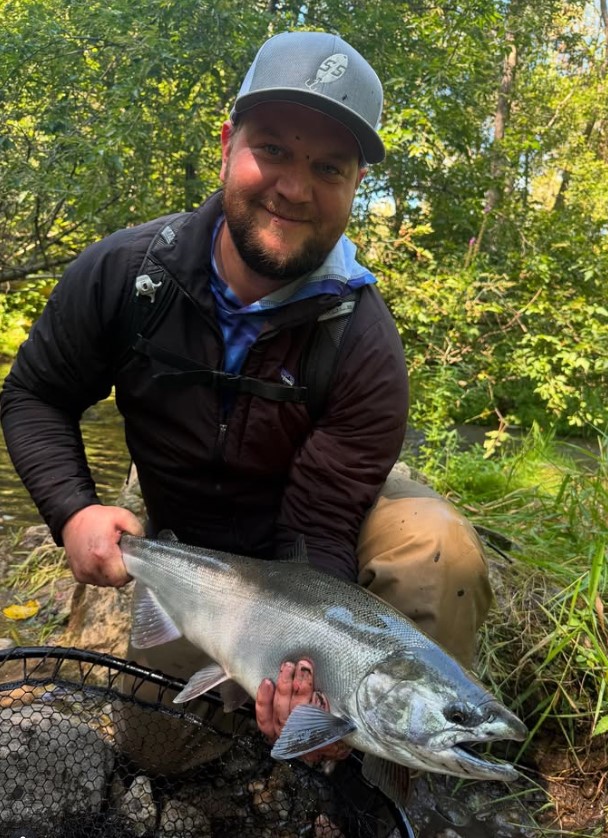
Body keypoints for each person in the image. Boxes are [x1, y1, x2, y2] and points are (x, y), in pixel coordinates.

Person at [0, 31, 492, 769]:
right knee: (160, 760)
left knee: (438, 548)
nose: (295, 187)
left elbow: (319, 530)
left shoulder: (364, 343)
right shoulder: (125, 274)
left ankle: (383, 764)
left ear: (357, 183)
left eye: (328, 167)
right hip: (189, 551)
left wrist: (317, 682)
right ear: (228, 144)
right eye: (274, 150)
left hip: (305, 551)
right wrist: (73, 510)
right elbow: (36, 394)